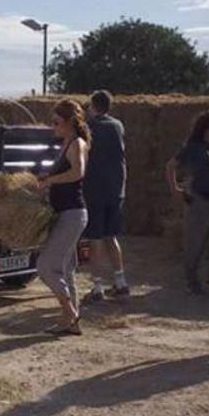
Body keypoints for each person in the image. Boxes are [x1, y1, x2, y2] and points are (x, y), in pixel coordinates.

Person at [36, 99, 90, 336]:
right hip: (67, 213)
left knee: (46, 267)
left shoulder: (76, 143)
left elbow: (78, 172)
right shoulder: (67, 143)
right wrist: (46, 177)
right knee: (66, 270)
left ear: (69, 122)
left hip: (72, 213)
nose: (53, 125)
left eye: (56, 121)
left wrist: (50, 180)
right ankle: (71, 324)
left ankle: (70, 313)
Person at [166, 110, 209, 295]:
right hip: (200, 200)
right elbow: (171, 166)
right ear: (204, 129)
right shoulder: (192, 148)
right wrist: (175, 189)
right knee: (195, 243)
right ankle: (192, 279)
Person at [81, 89, 130, 304]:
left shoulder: (91, 127)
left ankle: (98, 287)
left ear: (93, 106)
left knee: (95, 239)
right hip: (116, 189)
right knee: (111, 236)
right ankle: (121, 282)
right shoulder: (118, 125)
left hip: (96, 189)